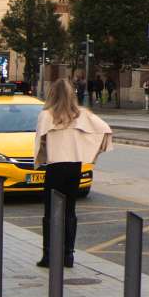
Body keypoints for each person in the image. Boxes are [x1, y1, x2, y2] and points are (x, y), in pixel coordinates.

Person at [35, 64, 113, 269]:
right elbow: (105, 129)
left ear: (52, 94)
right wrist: (92, 152)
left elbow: (40, 142)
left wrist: (41, 158)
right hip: (74, 167)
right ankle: (68, 255)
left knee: (50, 213)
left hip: (55, 167)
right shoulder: (81, 114)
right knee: (70, 211)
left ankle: (49, 255)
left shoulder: (47, 115)